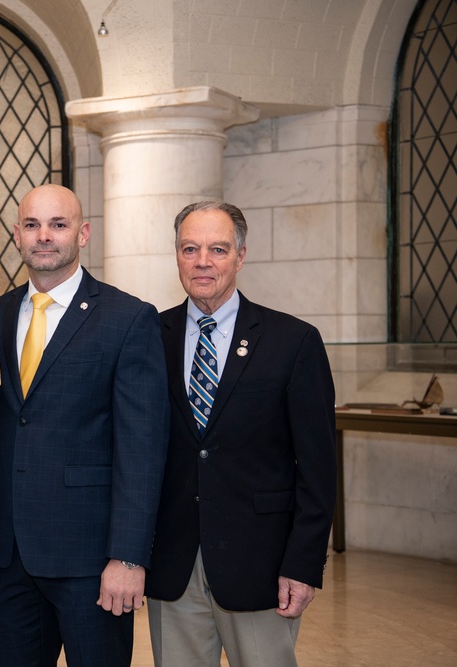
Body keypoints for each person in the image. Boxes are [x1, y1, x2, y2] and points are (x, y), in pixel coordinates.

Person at [0, 183, 170, 666]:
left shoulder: (127, 319)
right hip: (7, 560)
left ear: (83, 234)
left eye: (58, 225)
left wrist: (128, 558)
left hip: (92, 562)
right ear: (16, 235)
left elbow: (141, 450)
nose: (44, 236)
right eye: (32, 225)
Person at [145, 200, 337, 667]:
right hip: (173, 565)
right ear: (176, 255)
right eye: (190, 249)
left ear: (241, 255)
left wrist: (303, 564)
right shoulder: (150, 335)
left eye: (218, 249)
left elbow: (318, 469)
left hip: (262, 565)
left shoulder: (293, 341)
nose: (203, 262)